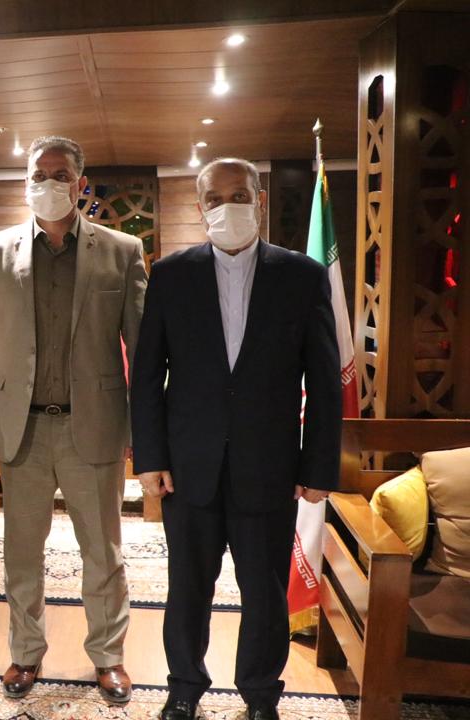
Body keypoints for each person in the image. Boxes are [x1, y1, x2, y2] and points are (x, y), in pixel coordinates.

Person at [130, 158, 342, 720]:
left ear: (260, 201)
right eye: (216, 198)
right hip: (188, 467)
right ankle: (184, 688)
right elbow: (147, 375)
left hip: (269, 466)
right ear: (200, 208)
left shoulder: (302, 276)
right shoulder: (170, 275)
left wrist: (318, 468)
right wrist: (149, 458)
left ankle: (260, 695)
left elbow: (325, 381)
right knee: (187, 589)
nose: (229, 207)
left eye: (241, 195)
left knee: (264, 593)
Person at [0, 136, 147, 705]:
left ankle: (109, 657)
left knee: (103, 552)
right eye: (38, 175)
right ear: (26, 183)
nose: (48, 183)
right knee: (22, 552)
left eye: (60, 174)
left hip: (94, 424)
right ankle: (25, 652)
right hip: (20, 428)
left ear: (80, 183)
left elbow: (142, 349)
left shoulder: (122, 251)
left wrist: (145, 434)